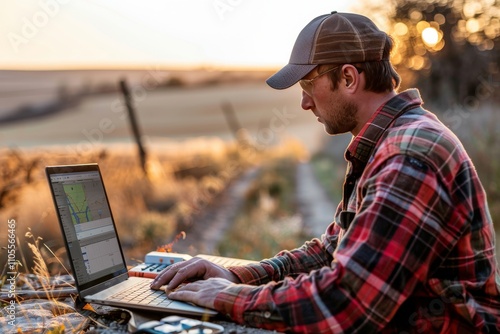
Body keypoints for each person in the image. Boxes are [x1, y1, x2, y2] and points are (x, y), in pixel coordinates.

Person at [151, 11, 500, 332]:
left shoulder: (408, 155)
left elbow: (344, 303)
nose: (304, 103)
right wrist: (234, 275)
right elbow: (331, 251)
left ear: (348, 77)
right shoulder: (388, 141)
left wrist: (223, 296)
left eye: (307, 86)